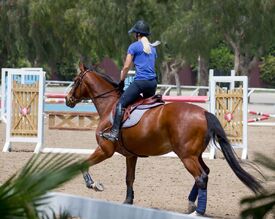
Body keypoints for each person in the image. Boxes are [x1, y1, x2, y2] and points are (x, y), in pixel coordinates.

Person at [102, 20, 158, 142]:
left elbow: (127, 67)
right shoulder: (153, 49)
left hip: (141, 82)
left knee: (120, 104)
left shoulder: (133, 46)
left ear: (137, 34)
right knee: (149, 108)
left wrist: (122, 81)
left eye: (134, 33)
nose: (134, 35)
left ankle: (114, 132)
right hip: (152, 83)